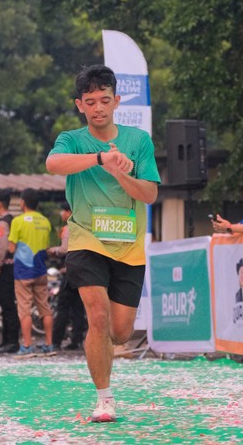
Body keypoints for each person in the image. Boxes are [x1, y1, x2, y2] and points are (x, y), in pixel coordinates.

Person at [46, 64, 160, 423]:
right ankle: (104, 399)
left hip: (128, 247)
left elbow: (150, 194)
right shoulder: (72, 139)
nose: (98, 108)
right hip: (87, 240)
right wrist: (100, 158)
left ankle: (106, 351)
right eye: (91, 101)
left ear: (117, 101)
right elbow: (53, 164)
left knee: (120, 331)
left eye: (104, 100)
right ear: (80, 105)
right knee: (97, 317)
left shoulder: (139, 141)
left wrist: (119, 172)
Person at [8, 188, 54, 357]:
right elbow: (47, 247)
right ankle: (49, 344)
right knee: (45, 307)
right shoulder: (45, 221)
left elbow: (11, 248)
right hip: (41, 270)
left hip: (23, 272)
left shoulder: (17, 221)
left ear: (22, 202)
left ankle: (27, 346)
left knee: (24, 309)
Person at [48, 201, 87, 350]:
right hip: (82, 271)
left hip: (69, 273)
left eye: (64, 210)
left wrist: (53, 250)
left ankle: (56, 341)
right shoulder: (83, 226)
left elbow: (64, 249)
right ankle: (77, 340)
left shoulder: (68, 228)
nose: (62, 214)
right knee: (78, 307)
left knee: (63, 306)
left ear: (70, 212)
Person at [0, 189, 20, 354]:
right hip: (12, 267)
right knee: (9, 304)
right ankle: (8, 340)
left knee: (7, 304)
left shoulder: (2, 223)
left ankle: (11, 341)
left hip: (5, 268)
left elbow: (3, 246)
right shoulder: (12, 220)